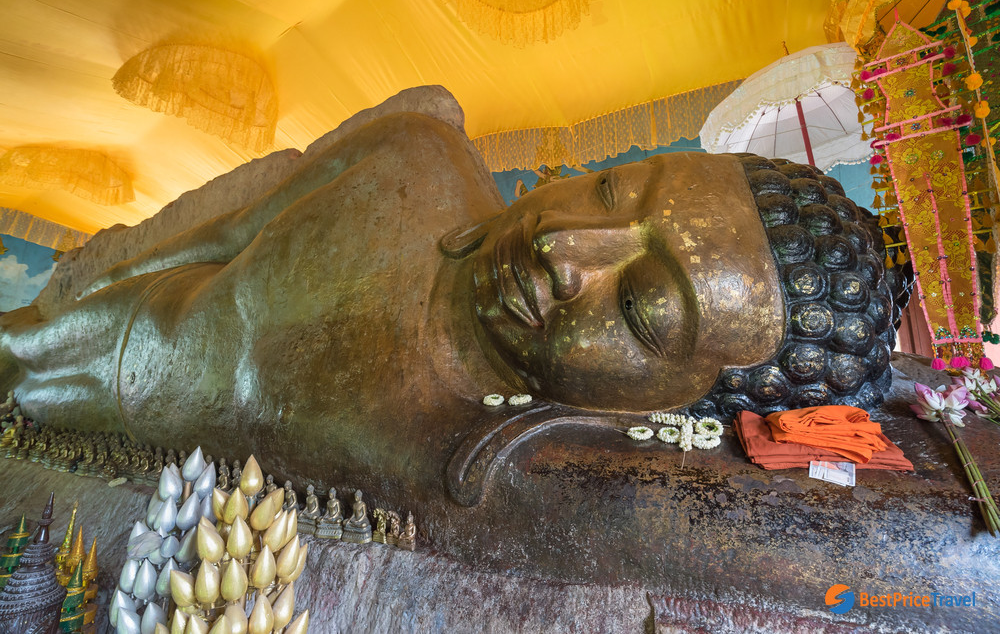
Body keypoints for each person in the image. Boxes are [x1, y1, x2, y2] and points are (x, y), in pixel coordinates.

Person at [0, 86, 906, 586]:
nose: (562, 251)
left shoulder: (436, 451)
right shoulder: (410, 159)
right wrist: (72, 297)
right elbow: (206, 236)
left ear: (663, 400)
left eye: (642, 310)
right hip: (91, 328)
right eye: (610, 193)